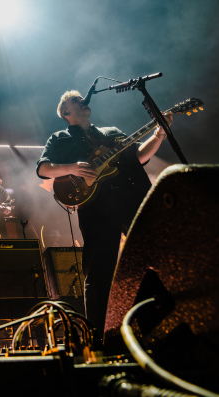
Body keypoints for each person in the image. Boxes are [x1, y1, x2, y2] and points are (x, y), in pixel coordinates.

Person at [36, 89, 172, 342]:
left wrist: (159, 135)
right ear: (65, 113)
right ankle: (98, 338)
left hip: (133, 200)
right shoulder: (60, 137)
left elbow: (138, 157)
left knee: (148, 262)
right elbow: (43, 169)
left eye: (80, 99)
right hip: (97, 207)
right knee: (99, 269)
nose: (81, 101)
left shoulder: (111, 132)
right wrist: (72, 167)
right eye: (74, 101)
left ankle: (158, 331)